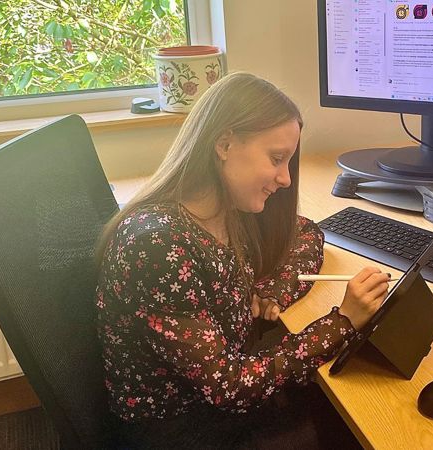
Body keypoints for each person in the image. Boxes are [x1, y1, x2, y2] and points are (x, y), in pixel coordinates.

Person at [94, 72, 390, 448]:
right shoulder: (157, 246)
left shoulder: (223, 209)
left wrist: (274, 292)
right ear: (224, 144)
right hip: (182, 429)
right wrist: (343, 321)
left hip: (218, 397)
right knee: (354, 424)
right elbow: (230, 388)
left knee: (351, 394)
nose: (285, 178)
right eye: (276, 158)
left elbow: (305, 233)